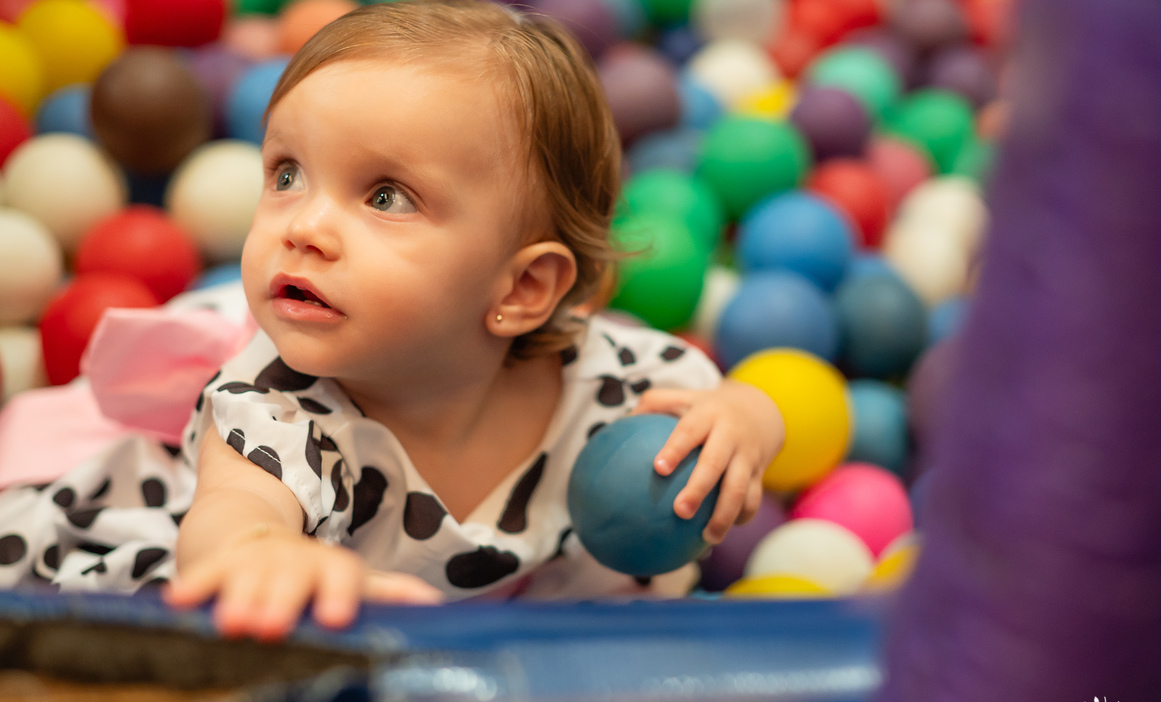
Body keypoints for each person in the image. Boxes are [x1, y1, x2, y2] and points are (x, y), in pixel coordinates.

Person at [160, 1, 785, 641]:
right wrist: (264, 552)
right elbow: (232, 515)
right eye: (286, 174)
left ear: (522, 287)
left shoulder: (602, 385)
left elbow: (734, 406)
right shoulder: (278, 410)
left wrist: (744, 426)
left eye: (386, 197)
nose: (303, 228)